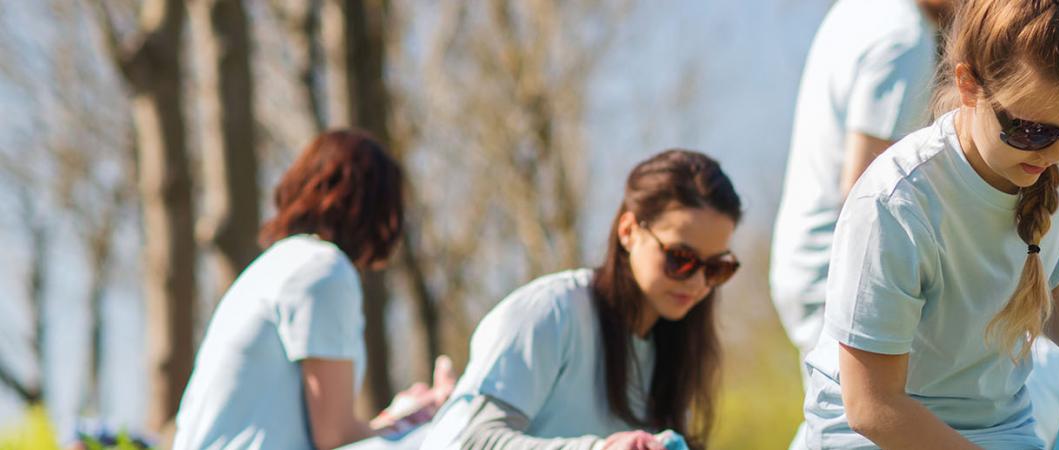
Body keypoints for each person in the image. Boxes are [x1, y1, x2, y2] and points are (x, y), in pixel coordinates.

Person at [796, 0, 1059, 447]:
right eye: (1031, 131)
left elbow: (1046, 284)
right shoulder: (897, 203)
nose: (1055, 153)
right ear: (969, 85)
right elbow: (872, 407)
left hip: (998, 426)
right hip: (874, 431)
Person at [421, 150, 738, 450]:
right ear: (628, 231)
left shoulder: (673, 345)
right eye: (680, 258)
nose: (698, 283)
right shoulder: (552, 313)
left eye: (715, 268)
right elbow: (471, 440)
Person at [174, 129, 446, 450]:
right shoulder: (324, 270)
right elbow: (333, 437)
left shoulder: (274, 266)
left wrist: (398, 418)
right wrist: (417, 419)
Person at [770, 0, 958, 354]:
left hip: (809, 260)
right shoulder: (902, 40)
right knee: (871, 408)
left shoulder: (862, 9)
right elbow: (869, 193)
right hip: (844, 278)